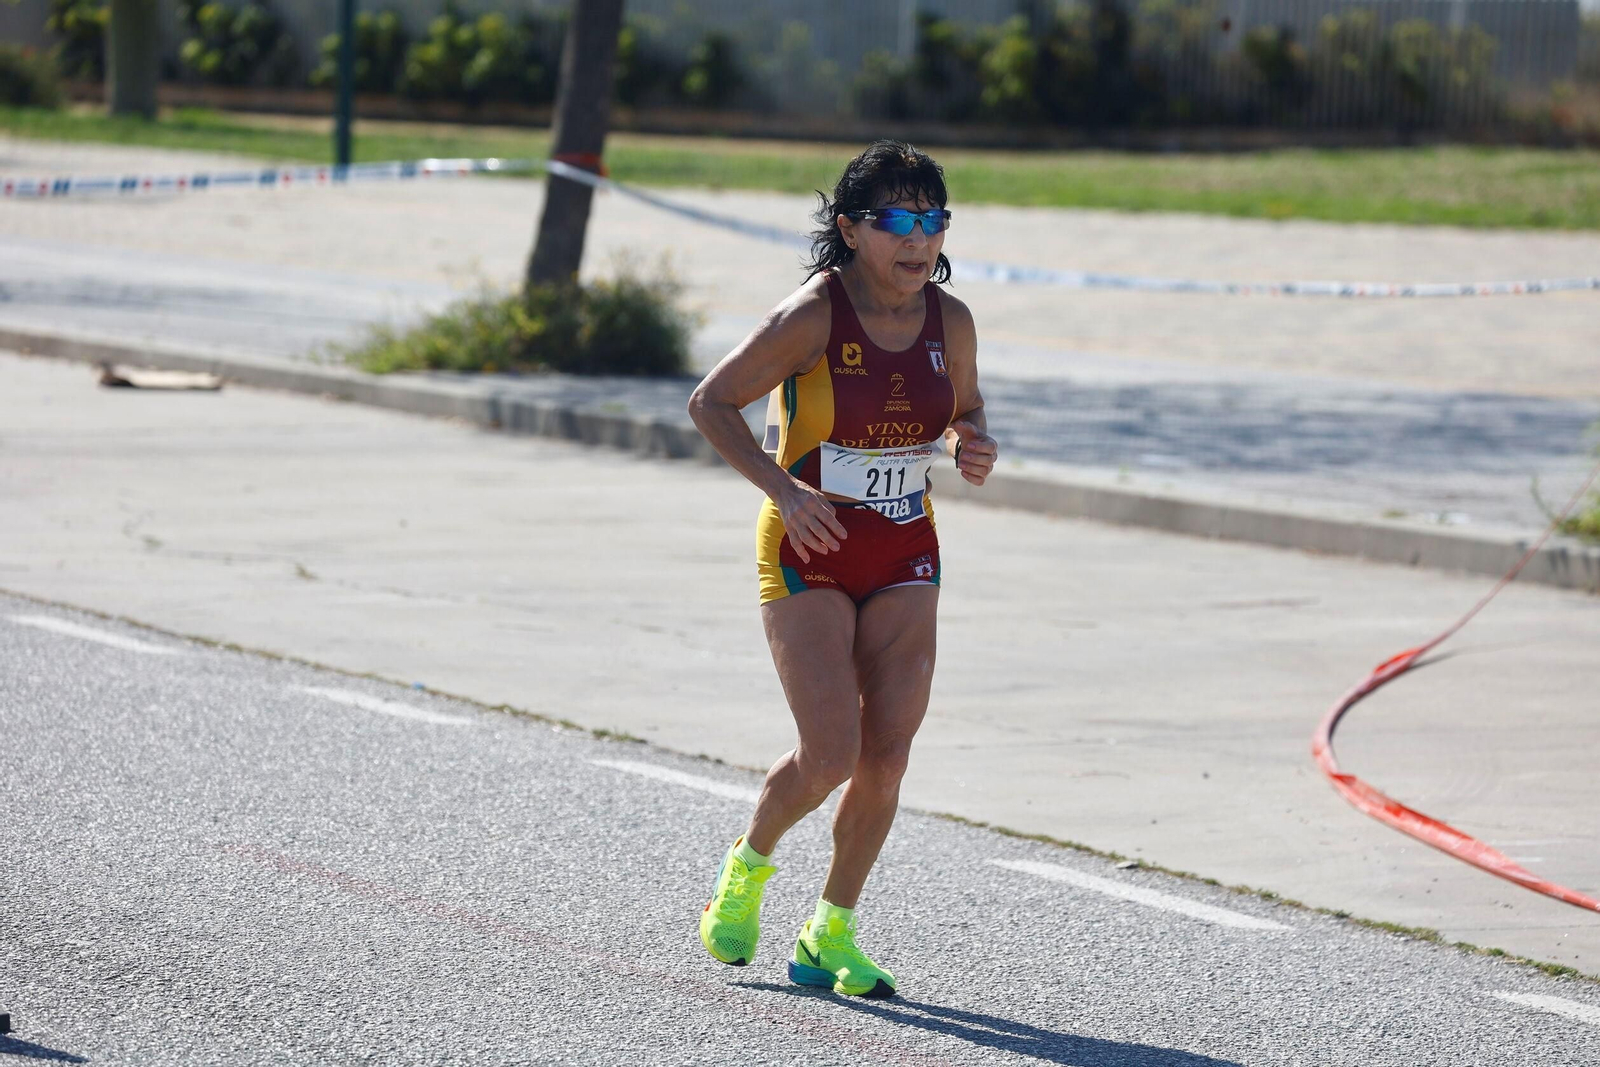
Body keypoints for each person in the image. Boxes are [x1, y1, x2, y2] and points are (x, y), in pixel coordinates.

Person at [686, 140, 998, 999]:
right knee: (830, 752)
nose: (919, 239)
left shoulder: (953, 321)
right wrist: (785, 490)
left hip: (905, 548)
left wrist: (975, 439)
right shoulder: (813, 315)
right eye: (898, 220)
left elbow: (966, 407)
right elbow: (710, 401)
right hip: (810, 547)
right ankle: (748, 866)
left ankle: (831, 932)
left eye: (933, 220)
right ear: (851, 228)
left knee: (888, 756)